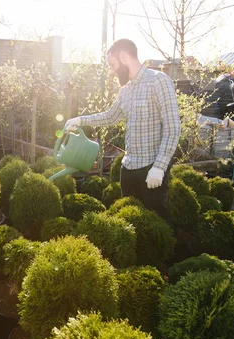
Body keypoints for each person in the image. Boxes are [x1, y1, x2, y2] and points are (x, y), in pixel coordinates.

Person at [64, 38, 181, 220]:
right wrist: (80, 120)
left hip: (151, 169)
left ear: (123, 56)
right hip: (128, 169)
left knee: (157, 224)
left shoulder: (159, 81)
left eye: (112, 65)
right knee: (130, 220)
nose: (112, 71)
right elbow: (110, 116)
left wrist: (159, 167)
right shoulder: (125, 90)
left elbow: (173, 128)